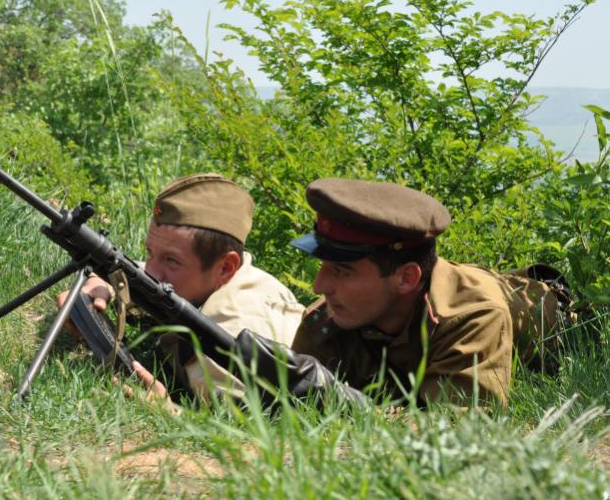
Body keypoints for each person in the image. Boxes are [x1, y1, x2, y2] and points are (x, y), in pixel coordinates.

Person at [287, 178, 572, 407]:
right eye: (323, 266)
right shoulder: (328, 320)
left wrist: (350, 405)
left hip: (553, 317)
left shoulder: (474, 315)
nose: (319, 286)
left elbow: (454, 429)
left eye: (341, 271)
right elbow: (289, 409)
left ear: (406, 277)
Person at [58, 173, 305, 399]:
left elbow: (243, 428)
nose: (152, 272)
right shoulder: (237, 276)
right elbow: (142, 271)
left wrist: (167, 410)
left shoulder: (224, 348)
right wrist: (100, 281)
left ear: (225, 267)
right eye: (151, 253)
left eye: (171, 260)